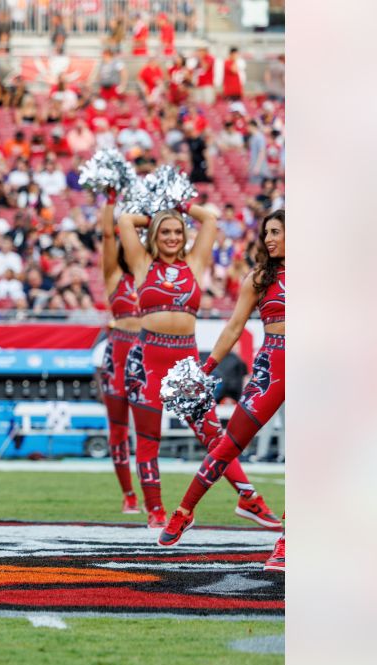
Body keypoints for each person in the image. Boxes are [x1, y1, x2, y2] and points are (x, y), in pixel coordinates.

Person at [116, 204, 279, 530]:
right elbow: (123, 220)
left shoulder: (195, 261)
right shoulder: (142, 262)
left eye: (178, 231)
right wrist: (158, 216)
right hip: (147, 361)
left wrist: (181, 207)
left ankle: (248, 497)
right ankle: (155, 510)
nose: (172, 237)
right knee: (149, 438)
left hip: (185, 363)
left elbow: (210, 218)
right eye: (165, 232)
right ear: (154, 236)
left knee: (213, 434)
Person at [158, 210, 286, 572]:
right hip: (273, 363)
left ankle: (287, 543)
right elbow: (232, 329)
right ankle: (183, 512)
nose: (269, 239)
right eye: (267, 233)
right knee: (230, 443)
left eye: (277, 231)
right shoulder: (259, 278)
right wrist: (206, 370)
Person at [98, 193, 141, 514]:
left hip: (148, 351)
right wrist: (111, 201)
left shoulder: (154, 273)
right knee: (118, 428)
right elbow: (106, 234)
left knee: (148, 428)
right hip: (118, 352)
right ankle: (128, 493)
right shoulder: (115, 276)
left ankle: (154, 497)